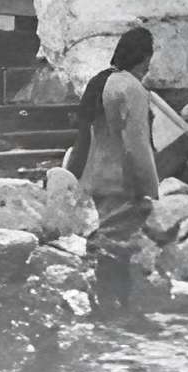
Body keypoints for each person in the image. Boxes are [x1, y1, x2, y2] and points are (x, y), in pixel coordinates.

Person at [64, 26, 156, 320]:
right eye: (149, 58)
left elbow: (83, 135)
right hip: (122, 179)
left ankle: (105, 303)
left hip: (94, 176)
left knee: (104, 240)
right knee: (120, 244)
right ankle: (120, 306)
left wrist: (74, 175)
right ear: (142, 57)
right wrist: (148, 185)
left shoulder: (99, 81)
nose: (149, 65)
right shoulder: (131, 88)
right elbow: (137, 144)